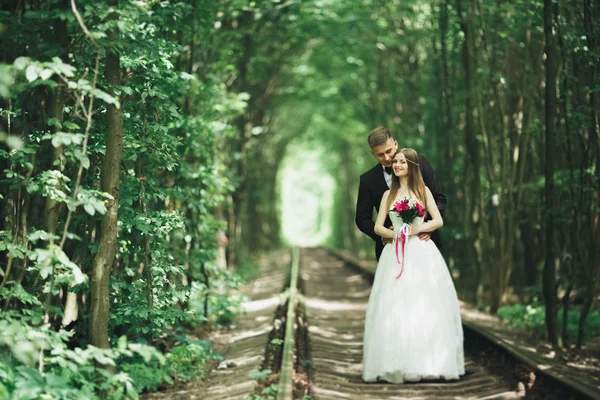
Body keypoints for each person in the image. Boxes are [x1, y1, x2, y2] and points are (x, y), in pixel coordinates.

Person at [362, 148, 464, 383]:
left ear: (412, 166)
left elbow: (438, 220)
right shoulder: (388, 194)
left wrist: (419, 228)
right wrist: (392, 231)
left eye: (401, 162)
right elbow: (378, 226)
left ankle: (427, 361)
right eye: (395, 162)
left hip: (420, 251)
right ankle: (397, 361)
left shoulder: (423, 190)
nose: (396, 165)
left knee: (424, 303)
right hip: (395, 253)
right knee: (395, 305)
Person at [355, 126, 446, 260]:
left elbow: (439, 198)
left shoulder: (418, 163)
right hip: (391, 249)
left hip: (425, 243)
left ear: (395, 144)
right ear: (372, 154)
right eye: (380, 154)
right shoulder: (367, 180)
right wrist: (384, 236)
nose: (387, 158)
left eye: (389, 151)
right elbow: (362, 218)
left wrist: (427, 226)